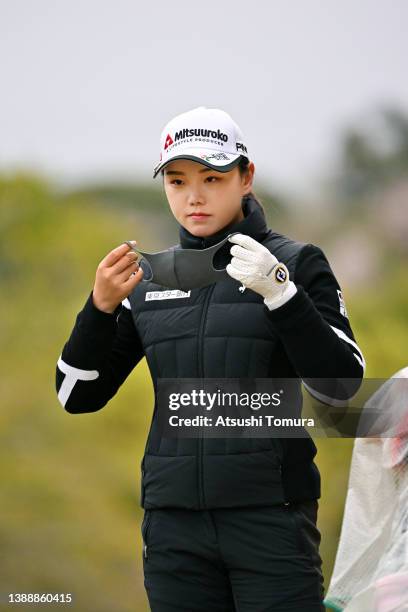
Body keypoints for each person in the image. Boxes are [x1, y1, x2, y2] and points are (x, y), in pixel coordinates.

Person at [55, 106, 365, 611]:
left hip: (271, 521)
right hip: (174, 529)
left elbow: (342, 387)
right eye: (177, 181)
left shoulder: (296, 264)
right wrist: (99, 308)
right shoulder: (147, 280)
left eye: (213, 177)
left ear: (246, 178)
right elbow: (76, 396)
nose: (194, 196)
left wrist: (283, 295)